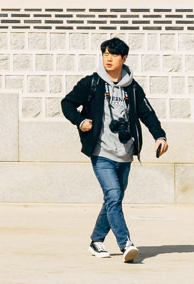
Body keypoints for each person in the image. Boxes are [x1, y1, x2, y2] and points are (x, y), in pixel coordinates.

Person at [60, 37, 167, 263]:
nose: (108, 59)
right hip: (101, 152)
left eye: (114, 55)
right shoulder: (92, 83)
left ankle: (96, 241)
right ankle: (126, 243)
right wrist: (80, 121)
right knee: (114, 195)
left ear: (124, 58)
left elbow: (147, 113)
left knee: (113, 200)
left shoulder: (133, 88)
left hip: (125, 153)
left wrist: (160, 136)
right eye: (105, 54)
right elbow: (67, 103)